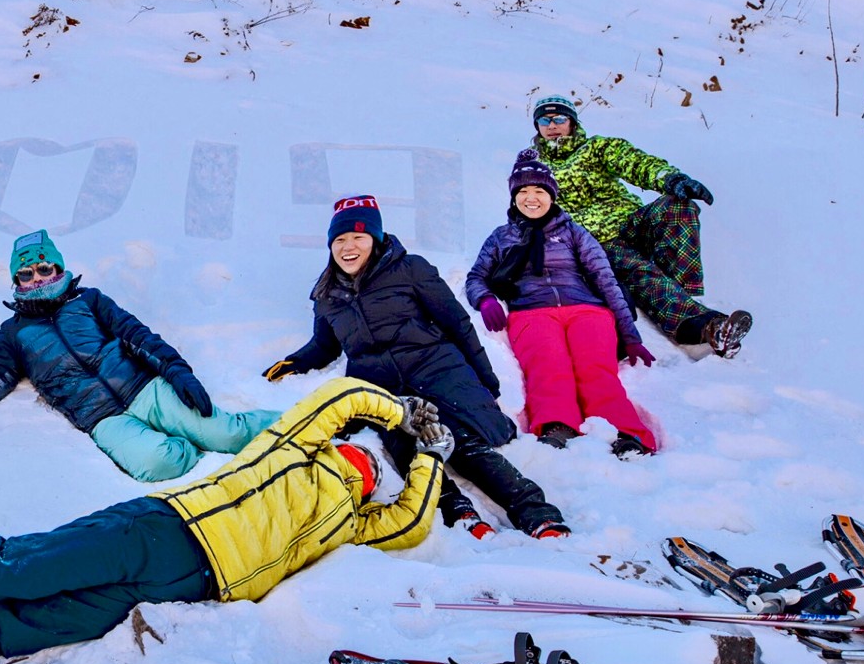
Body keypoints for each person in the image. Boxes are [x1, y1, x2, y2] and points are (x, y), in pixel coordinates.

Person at [0, 378, 449, 655]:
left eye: (372, 473)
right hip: (165, 528)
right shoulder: (296, 445)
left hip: (198, 589)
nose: (365, 470)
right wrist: (398, 414)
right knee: (19, 567)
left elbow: (412, 521)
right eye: (363, 459)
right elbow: (338, 398)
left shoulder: (352, 521)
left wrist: (431, 455)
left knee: (30, 626)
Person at [264, 195, 567, 540]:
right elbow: (324, 346)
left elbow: (457, 324)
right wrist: (293, 363)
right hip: (382, 387)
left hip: (435, 369)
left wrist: (485, 378)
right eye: (339, 240)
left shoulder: (411, 269)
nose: (348, 247)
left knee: (461, 441)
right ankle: (458, 511)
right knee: (402, 441)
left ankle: (535, 512)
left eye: (358, 238)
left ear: (375, 240)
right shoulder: (327, 294)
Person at [0, 229, 279, 482]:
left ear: (58, 268)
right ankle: (192, 446)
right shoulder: (12, 334)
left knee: (228, 434)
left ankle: (303, 419)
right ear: (17, 281)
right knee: (157, 463)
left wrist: (177, 372)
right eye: (27, 273)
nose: (38, 278)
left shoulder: (89, 300)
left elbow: (137, 336)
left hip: (145, 389)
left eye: (44, 268)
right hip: (102, 418)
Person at [525, 94, 752, 356]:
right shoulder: (535, 168)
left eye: (559, 118)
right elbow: (529, 207)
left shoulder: (597, 148)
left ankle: (684, 292)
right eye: (544, 119)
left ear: (572, 122)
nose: (552, 125)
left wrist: (670, 178)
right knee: (635, 269)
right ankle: (706, 327)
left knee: (678, 206)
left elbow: (634, 162)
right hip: (599, 242)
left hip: (632, 224)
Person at [467, 155, 659, 458]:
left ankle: (626, 432)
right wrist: (485, 299)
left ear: (552, 196)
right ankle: (557, 425)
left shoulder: (573, 231)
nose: (531, 199)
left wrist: (630, 335)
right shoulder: (501, 236)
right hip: (531, 312)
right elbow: (476, 277)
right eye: (522, 192)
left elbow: (605, 279)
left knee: (595, 369)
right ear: (514, 197)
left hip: (587, 310)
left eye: (539, 192)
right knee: (547, 366)